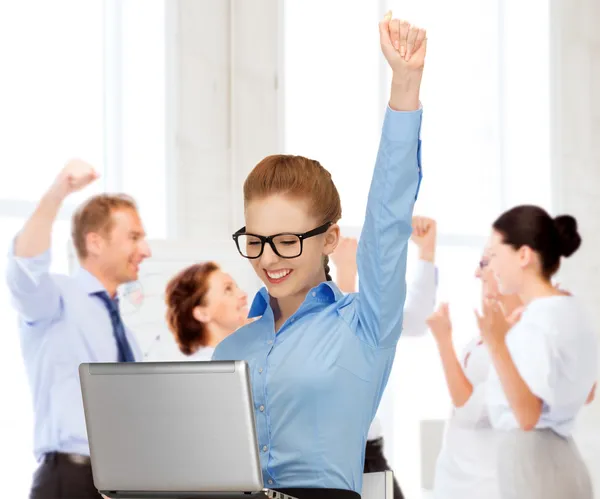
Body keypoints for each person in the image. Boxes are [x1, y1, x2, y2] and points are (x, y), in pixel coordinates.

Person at [212, 13, 426, 499]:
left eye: (288, 241)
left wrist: (405, 86)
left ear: (329, 238)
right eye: (256, 241)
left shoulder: (364, 325)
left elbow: (387, 225)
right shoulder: (229, 354)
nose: (269, 259)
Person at [6, 160, 151, 499]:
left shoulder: (126, 336)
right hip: (71, 480)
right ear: (96, 242)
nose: (146, 250)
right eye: (134, 237)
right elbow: (24, 267)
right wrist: (59, 191)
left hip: (123, 485)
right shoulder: (55, 301)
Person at [476, 205, 597, 499]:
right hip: (565, 459)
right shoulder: (573, 308)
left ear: (523, 255)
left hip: (531, 463)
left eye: (494, 255)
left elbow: (528, 416)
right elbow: (589, 392)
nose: (489, 268)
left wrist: (496, 342)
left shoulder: (537, 321)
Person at [331, 217, 438, 499]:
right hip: (331, 457)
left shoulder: (366, 303)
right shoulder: (305, 300)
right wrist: (345, 271)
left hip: (368, 451)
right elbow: (346, 341)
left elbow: (415, 321)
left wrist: (426, 252)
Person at [426, 249, 521, 499]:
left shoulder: (520, 340)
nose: (477, 273)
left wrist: (444, 342)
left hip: (486, 487)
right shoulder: (481, 339)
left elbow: (471, 410)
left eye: (484, 263)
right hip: (455, 481)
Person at [164, 262, 249, 360]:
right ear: (203, 314)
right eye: (228, 289)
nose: (243, 294)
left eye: (236, 287)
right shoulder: (210, 366)